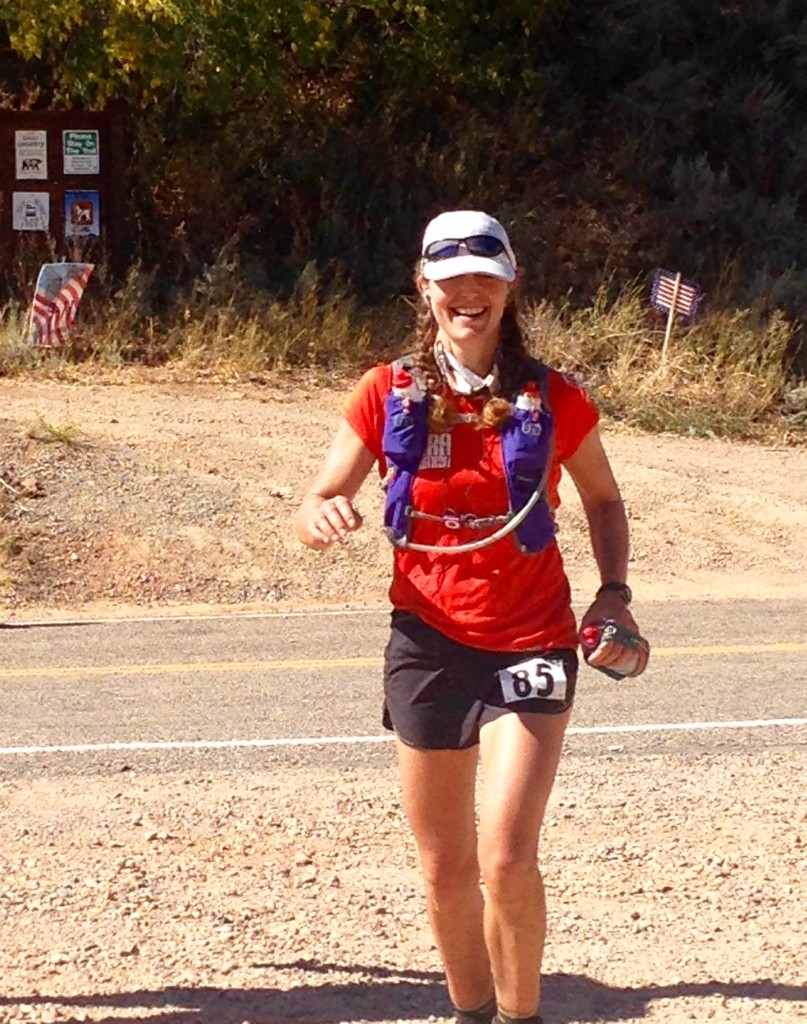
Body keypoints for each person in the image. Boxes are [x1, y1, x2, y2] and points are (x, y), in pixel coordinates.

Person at [295, 210, 648, 1024]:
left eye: (483, 276)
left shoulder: (552, 396)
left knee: (507, 857)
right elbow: (318, 498)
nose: (467, 292)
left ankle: (520, 1019)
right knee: (446, 868)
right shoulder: (386, 390)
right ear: (424, 288)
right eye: (449, 278)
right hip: (425, 640)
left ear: (508, 287)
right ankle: (471, 1011)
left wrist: (613, 591)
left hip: (530, 637)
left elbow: (602, 498)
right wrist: (317, 519)